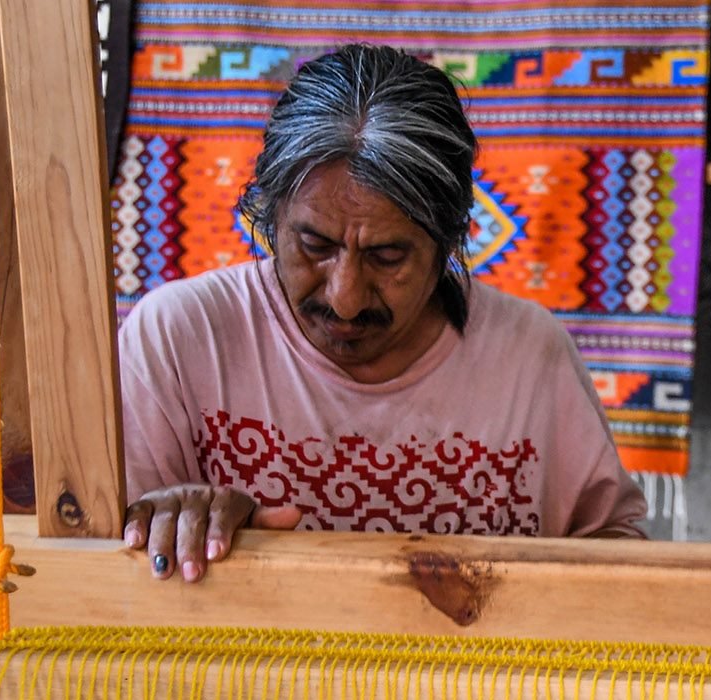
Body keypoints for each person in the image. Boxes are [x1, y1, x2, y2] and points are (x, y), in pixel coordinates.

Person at [120, 45, 647, 583]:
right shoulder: (179, 341)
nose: (345, 297)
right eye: (314, 245)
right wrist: (188, 527)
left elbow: (621, 561)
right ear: (269, 216)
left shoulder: (530, 359)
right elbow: (105, 569)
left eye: (388, 256)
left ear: (447, 244)